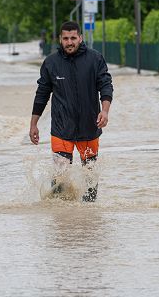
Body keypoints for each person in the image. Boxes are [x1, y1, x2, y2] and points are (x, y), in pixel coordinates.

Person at [29, 21, 113, 202]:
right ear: (60, 39)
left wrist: (104, 111)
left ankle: (89, 218)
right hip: (61, 128)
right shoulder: (51, 63)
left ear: (80, 38)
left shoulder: (95, 59)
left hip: (89, 126)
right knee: (60, 177)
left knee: (90, 177)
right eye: (65, 38)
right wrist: (33, 124)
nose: (69, 42)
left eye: (73, 38)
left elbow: (106, 85)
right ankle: (63, 221)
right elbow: (42, 94)